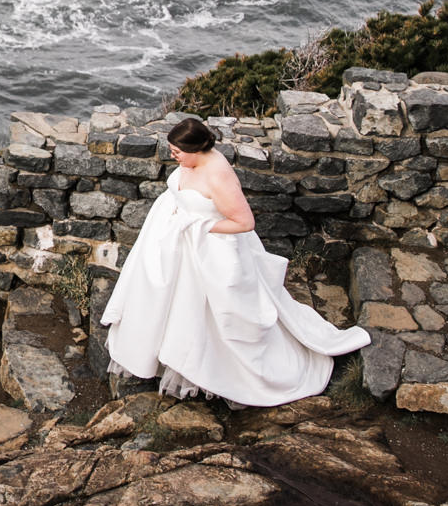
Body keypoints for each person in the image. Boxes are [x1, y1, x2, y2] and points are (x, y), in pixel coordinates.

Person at [99, 117, 369, 405]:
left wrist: (198, 226)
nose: (172, 156)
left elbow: (244, 222)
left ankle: (210, 367)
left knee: (201, 311)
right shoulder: (192, 162)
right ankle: (156, 352)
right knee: (161, 298)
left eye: (177, 151)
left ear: (197, 149)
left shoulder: (218, 175)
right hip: (174, 241)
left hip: (209, 251)